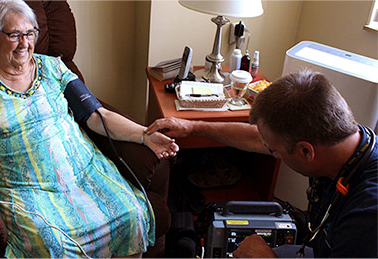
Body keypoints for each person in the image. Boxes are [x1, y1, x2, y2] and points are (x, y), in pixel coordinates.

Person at [0, 0, 179, 257]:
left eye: (30, 33)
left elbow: (96, 115)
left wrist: (144, 135)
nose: (25, 44)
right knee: (52, 244)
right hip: (25, 189)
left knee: (131, 213)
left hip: (84, 172)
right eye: (14, 35)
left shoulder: (54, 67)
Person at [146, 70, 378, 258]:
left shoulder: (367, 217)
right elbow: (257, 137)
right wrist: (193, 127)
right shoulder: (340, 140)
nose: (271, 152)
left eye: (273, 151)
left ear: (305, 151)